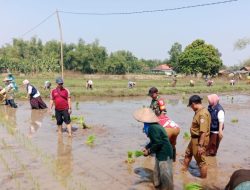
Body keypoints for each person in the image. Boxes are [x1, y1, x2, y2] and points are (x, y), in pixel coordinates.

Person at [133, 107, 173, 190]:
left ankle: (167, 188)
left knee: (165, 173)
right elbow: (153, 141)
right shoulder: (152, 125)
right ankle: (157, 185)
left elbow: (158, 143)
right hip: (160, 150)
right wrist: (146, 147)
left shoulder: (152, 128)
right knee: (157, 170)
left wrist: (149, 151)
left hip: (164, 151)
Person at [148, 87, 180, 162]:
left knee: (162, 139)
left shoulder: (160, 100)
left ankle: (172, 158)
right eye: (150, 95)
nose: (151, 96)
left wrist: (160, 120)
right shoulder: (153, 100)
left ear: (156, 93)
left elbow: (163, 111)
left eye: (152, 94)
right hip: (154, 120)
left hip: (159, 120)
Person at [182, 95, 211, 178]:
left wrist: (200, 146)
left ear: (194, 104)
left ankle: (203, 180)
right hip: (194, 139)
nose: (191, 107)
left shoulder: (202, 114)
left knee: (201, 161)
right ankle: (183, 171)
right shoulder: (198, 111)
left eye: (191, 106)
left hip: (199, 140)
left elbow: (203, 132)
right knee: (188, 153)